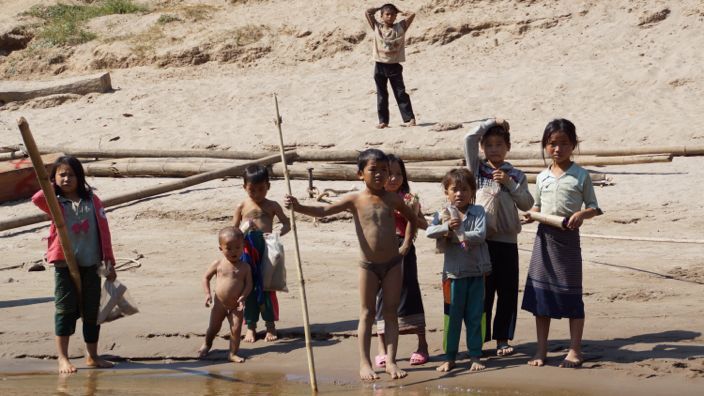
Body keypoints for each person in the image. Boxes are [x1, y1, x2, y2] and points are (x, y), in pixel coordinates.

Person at [284, 149, 424, 381]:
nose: (380, 175)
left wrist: (406, 244)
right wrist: (298, 207)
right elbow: (324, 211)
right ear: (360, 174)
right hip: (368, 266)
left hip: (392, 264)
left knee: (390, 313)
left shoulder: (392, 198)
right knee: (367, 313)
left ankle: (390, 361)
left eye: (384, 170)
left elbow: (412, 217)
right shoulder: (355, 200)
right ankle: (365, 363)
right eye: (373, 170)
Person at [521, 118, 602, 368]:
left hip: (568, 241)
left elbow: (594, 207)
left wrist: (581, 215)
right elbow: (537, 206)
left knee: (572, 296)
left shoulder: (580, 175)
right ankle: (541, 350)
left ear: (573, 145)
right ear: (546, 146)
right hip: (543, 241)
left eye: (564, 144)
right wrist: (529, 214)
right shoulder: (542, 176)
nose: (558, 149)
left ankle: (574, 349)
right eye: (552, 144)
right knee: (540, 298)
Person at [31, 156, 117, 374]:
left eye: (71, 174)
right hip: (64, 265)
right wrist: (51, 184)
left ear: (80, 178)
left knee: (91, 311)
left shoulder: (92, 201)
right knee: (65, 310)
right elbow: (37, 198)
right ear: (54, 178)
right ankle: (63, 358)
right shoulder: (55, 201)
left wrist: (109, 263)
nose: (67, 178)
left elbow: (103, 232)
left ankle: (93, 356)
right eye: (62, 175)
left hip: (91, 263)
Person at [464, 118, 534, 356]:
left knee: (507, 292)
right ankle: (480, 340)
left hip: (507, 241)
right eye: (489, 144)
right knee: (482, 293)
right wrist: (491, 122)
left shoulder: (516, 174)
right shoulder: (476, 170)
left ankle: (502, 339)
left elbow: (527, 203)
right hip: (482, 240)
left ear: (508, 147)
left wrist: (510, 183)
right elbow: (469, 138)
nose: (494, 149)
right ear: (483, 148)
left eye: (499, 144)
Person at [426, 168, 491, 372]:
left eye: (464, 189)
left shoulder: (478, 211)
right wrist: (447, 228)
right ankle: (450, 356)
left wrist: (456, 234)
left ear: (472, 191)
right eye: (454, 189)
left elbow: (480, 235)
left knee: (475, 316)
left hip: (476, 273)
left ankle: (475, 355)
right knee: (451, 317)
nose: (459, 194)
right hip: (452, 276)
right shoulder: (443, 214)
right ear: (447, 192)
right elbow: (429, 232)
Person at [374, 155, 429, 368]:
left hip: (404, 249)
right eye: (390, 174)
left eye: (399, 174)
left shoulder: (408, 198)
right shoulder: (376, 198)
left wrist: (411, 214)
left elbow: (423, 224)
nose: (394, 178)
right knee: (381, 296)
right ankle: (381, 347)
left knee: (409, 292)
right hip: (380, 250)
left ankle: (422, 344)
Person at [233, 165, 290, 343]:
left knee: (267, 287)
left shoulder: (272, 205)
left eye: (261, 189)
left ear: (268, 187)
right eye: (252, 190)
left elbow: (287, 224)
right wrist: (243, 228)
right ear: (244, 188)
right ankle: (250, 327)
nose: (257, 194)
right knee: (248, 288)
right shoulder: (242, 206)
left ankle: (270, 325)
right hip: (247, 250)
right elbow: (233, 231)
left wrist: (276, 235)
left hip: (267, 249)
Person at [198, 227, 252, 363]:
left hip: (236, 306)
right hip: (219, 305)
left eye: (237, 247)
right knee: (213, 328)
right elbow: (206, 277)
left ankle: (232, 353)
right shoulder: (218, 264)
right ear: (220, 248)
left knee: (236, 329)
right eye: (229, 248)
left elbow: (249, 285)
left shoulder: (245, 267)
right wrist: (207, 294)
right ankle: (207, 344)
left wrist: (243, 296)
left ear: (243, 246)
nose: (234, 251)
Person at [365, 4, 416, 129]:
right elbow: (367, 12)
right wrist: (379, 8)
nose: (390, 16)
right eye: (387, 14)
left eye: (393, 14)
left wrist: (401, 10)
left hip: (394, 66)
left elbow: (412, 14)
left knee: (400, 93)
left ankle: (409, 119)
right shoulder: (377, 27)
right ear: (381, 16)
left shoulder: (400, 27)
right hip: (379, 65)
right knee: (381, 95)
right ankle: (383, 121)